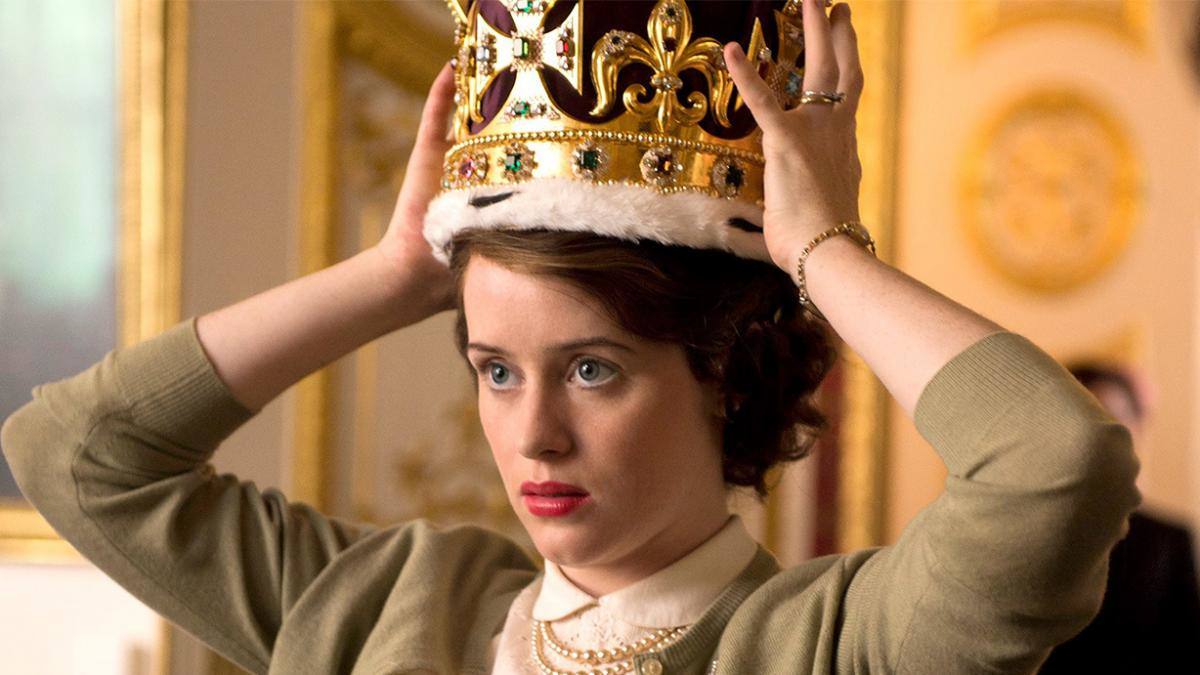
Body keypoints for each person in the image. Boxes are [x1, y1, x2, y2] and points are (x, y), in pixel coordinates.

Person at [0, 1, 1140, 673]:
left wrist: (821, 251)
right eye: (496, 370)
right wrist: (397, 273)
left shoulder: (839, 644)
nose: (532, 435)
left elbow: (1057, 463)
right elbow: (76, 454)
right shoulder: (388, 604)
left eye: (592, 369)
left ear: (726, 372)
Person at [1039, 364, 1200, 674]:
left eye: (1115, 419)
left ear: (1137, 431)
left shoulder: (1167, 540)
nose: (1101, 438)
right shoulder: (1024, 532)